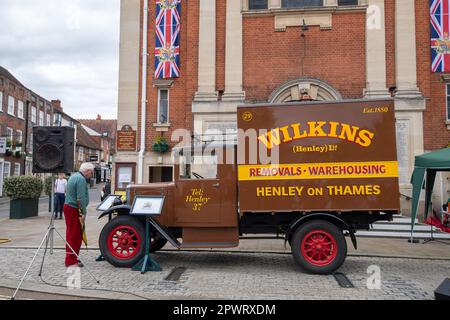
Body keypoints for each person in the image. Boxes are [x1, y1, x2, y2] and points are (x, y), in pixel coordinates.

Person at [63, 163, 94, 267]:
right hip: (74, 209)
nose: (91, 174)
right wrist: (83, 213)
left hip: (69, 207)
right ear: (88, 171)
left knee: (71, 233)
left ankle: (72, 257)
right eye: (91, 172)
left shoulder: (74, 176)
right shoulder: (81, 179)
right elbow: (80, 198)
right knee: (75, 235)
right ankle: (71, 260)